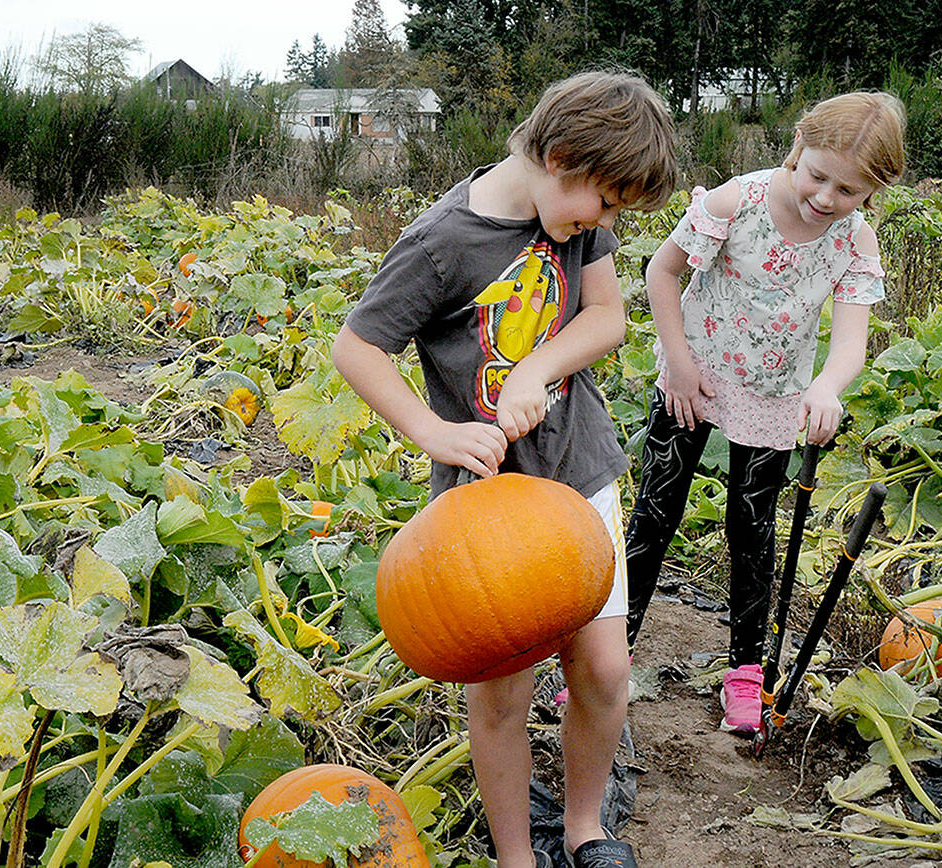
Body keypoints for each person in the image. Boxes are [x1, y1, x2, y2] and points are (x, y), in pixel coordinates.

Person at [332, 71, 678, 868]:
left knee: (603, 666)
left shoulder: (579, 218)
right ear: (560, 158)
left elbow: (606, 317)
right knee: (503, 688)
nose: (610, 221)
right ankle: (517, 856)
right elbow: (357, 347)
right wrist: (434, 432)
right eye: (609, 204)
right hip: (486, 497)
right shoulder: (441, 242)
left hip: (578, 464)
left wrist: (537, 370)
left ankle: (587, 830)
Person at [623, 91, 906, 735]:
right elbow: (661, 273)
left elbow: (851, 341)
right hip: (692, 378)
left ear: (872, 192)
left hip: (775, 393)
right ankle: (611, 655)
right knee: (655, 514)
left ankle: (746, 676)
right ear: (796, 149)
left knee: (751, 531)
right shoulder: (736, 202)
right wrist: (680, 360)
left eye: (851, 189)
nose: (828, 198)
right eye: (818, 175)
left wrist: (827, 388)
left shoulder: (853, 242)